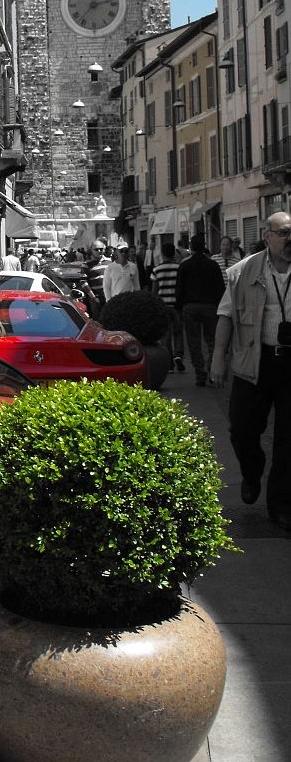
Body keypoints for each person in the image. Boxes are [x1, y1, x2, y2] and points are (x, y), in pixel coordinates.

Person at [211, 212, 291, 529]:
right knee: (242, 430)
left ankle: (281, 505)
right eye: (284, 233)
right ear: (267, 235)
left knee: (288, 439)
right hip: (252, 361)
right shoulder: (242, 272)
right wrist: (218, 356)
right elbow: (226, 315)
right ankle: (251, 470)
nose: (289, 240)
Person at [176, 234, 226, 386]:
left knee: (194, 342)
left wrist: (179, 307)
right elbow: (220, 288)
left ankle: (200, 373)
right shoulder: (212, 265)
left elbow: (179, 289)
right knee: (212, 341)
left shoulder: (185, 265)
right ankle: (212, 370)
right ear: (204, 246)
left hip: (190, 307)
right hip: (210, 307)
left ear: (191, 247)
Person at [150, 242, 185, 372]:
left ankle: (169, 363)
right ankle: (179, 356)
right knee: (178, 331)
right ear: (173, 253)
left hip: (163, 305)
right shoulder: (179, 268)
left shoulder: (157, 270)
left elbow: (154, 290)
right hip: (176, 305)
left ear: (163, 254)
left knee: (166, 335)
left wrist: (154, 305)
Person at [83, 241, 110, 307]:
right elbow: (83, 282)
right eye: (96, 249)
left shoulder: (109, 262)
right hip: (96, 299)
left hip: (109, 297)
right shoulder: (86, 264)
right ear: (91, 250)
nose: (99, 251)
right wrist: (93, 297)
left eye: (101, 249)